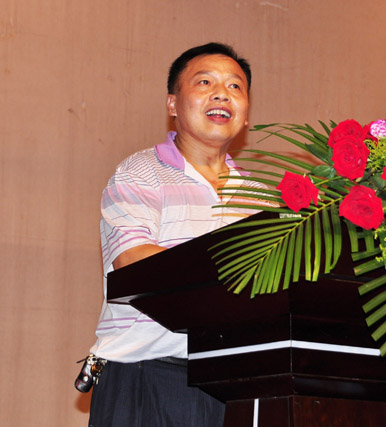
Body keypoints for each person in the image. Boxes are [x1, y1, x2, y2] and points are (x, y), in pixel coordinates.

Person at [86, 43, 263, 427]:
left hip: (235, 383)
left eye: (235, 86)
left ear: (247, 113)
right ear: (172, 104)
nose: (222, 94)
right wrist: (233, 276)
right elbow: (133, 263)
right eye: (205, 82)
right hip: (147, 374)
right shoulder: (140, 173)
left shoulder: (261, 199)